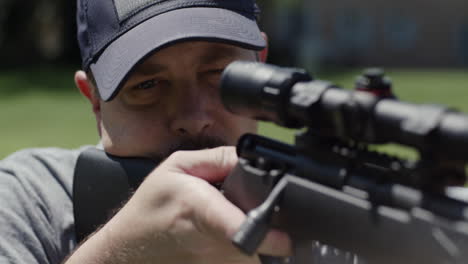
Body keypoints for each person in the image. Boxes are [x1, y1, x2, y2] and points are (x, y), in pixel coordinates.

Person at [0, 0, 293, 263]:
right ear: (95, 100)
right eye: (147, 85)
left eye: (219, 73)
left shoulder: (313, 206)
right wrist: (120, 253)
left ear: (260, 64)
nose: (192, 118)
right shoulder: (31, 200)